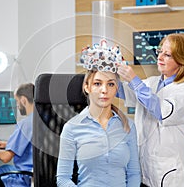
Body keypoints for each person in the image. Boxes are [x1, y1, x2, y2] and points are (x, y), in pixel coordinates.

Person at [117, 33, 184, 187]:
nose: (160, 57)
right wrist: (107, 66)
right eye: (160, 52)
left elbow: (162, 111)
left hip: (168, 170)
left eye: (168, 55)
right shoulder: (151, 83)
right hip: (145, 167)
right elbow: (120, 91)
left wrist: (133, 80)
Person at [56, 40, 141, 187]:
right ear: (87, 87)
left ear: (117, 89)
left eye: (110, 84)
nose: (104, 90)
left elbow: (134, 174)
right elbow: (63, 178)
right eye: (97, 83)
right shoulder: (72, 128)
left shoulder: (128, 126)